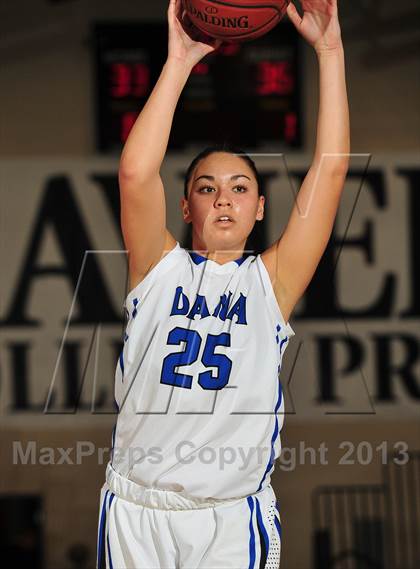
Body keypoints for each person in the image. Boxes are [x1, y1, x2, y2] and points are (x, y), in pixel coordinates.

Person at [96, 0, 350, 567]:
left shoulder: (271, 284)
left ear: (261, 209)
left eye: (239, 188)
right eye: (206, 188)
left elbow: (331, 169)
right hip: (136, 512)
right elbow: (136, 173)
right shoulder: (156, 270)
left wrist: (329, 53)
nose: (223, 198)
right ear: (185, 207)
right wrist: (179, 62)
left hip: (231, 517)